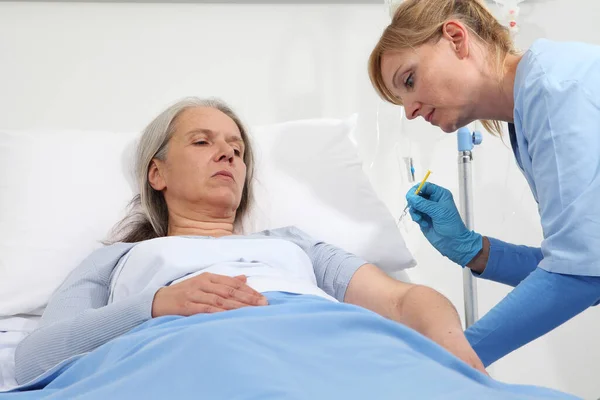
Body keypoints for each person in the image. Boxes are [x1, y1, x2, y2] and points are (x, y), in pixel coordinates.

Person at [12, 97, 487, 387]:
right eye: (202, 142)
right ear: (156, 172)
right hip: (189, 349)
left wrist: (458, 356)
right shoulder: (116, 260)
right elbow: (37, 358)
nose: (227, 154)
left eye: (237, 149)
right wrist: (157, 305)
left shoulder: (293, 245)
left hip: (325, 344)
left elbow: (404, 301)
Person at [367, 0, 600, 367]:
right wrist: (473, 249)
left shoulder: (553, 91)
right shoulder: (528, 110)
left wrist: (449, 360)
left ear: (456, 38)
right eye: (401, 99)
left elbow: (580, 273)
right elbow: (582, 264)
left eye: (409, 80)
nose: (409, 110)